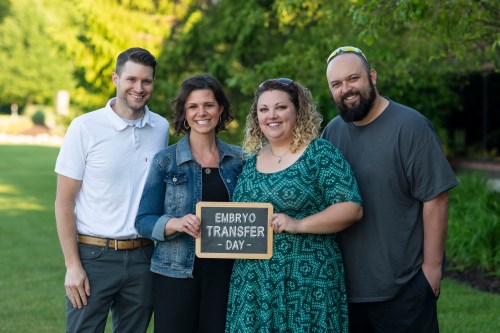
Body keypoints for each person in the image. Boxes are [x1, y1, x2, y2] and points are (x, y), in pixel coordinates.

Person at [321, 46, 459, 332]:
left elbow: (436, 198)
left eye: (353, 78)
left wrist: (431, 269)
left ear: (372, 76)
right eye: (336, 84)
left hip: (403, 288)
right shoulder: (332, 132)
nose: (346, 89)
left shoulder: (411, 127)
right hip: (344, 289)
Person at [225, 78, 363, 332]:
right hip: (255, 283)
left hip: (308, 278)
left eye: (280, 107)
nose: (272, 116)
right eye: (264, 110)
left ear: (298, 111)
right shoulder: (249, 163)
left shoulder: (319, 153)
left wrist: (298, 224)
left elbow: (351, 206)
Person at [54, 47, 169, 332]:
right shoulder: (85, 127)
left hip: (143, 257)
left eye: (146, 81)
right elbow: (63, 203)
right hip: (93, 256)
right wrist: (72, 265)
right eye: (131, 79)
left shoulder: (160, 128)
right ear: (116, 78)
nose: (138, 88)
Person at [135, 74, 245, 333]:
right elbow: (143, 221)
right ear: (184, 114)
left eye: (208, 105)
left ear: (220, 109)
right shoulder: (166, 160)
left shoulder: (240, 160)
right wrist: (175, 223)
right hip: (175, 275)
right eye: (193, 107)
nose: (201, 113)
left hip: (227, 276)